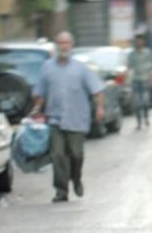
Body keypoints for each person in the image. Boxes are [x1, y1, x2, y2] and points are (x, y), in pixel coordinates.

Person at [30, 31, 105, 203]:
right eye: (60, 43)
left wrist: (99, 108)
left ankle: (76, 178)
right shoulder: (47, 67)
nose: (63, 46)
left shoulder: (81, 68)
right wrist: (37, 107)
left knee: (77, 154)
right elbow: (40, 91)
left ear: (71, 46)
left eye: (67, 43)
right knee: (57, 155)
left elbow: (97, 90)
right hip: (55, 119)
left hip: (77, 118)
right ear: (56, 46)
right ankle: (61, 190)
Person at [126, 33, 152, 130]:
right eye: (137, 40)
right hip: (136, 81)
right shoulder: (131, 55)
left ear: (143, 42)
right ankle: (139, 122)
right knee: (137, 103)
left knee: (145, 102)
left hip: (145, 80)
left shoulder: (148, 53)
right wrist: (128, 81)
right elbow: (129, 69)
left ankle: (146, 118)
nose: (139, 42)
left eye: (140, 40)